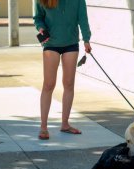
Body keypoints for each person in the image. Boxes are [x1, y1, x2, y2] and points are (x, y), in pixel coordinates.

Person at [33, 0, 92, 140]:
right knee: (48, 84)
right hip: (51, 43)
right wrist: (41, 28)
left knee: (69, 83)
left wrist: (86, 39)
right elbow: (38, 18)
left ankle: (65, 124)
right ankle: (43, 127)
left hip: (71, 43)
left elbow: (82, 18)